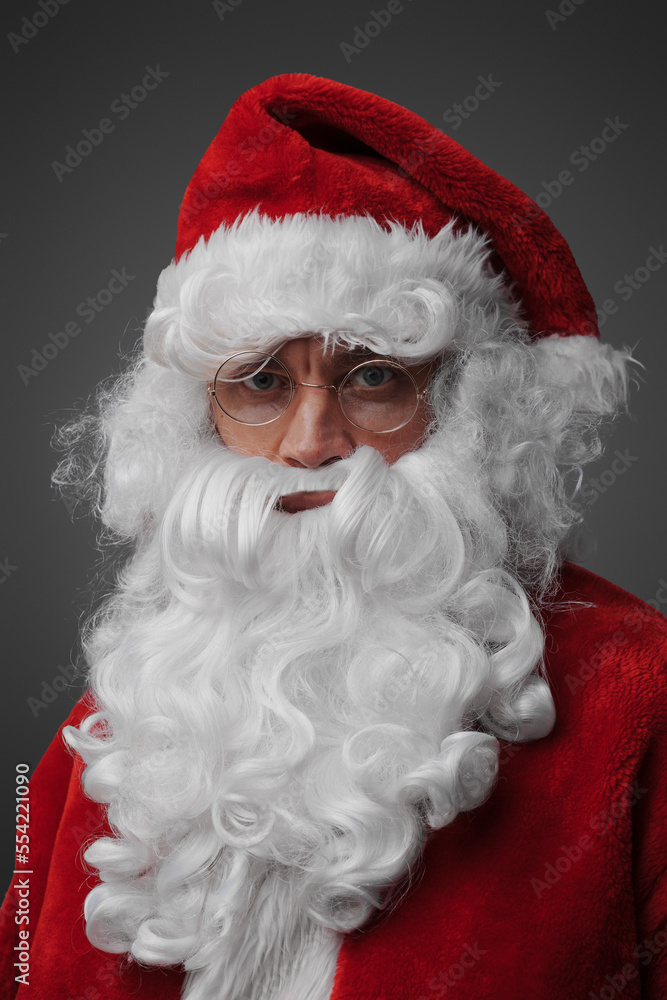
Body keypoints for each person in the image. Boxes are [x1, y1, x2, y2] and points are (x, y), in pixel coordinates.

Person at [1, 72, 666, 1000]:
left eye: (374, 379)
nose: (312, 447)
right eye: (262, 383)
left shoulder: (636, 689)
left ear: (469, 414)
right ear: (198, 419)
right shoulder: (126, 714)